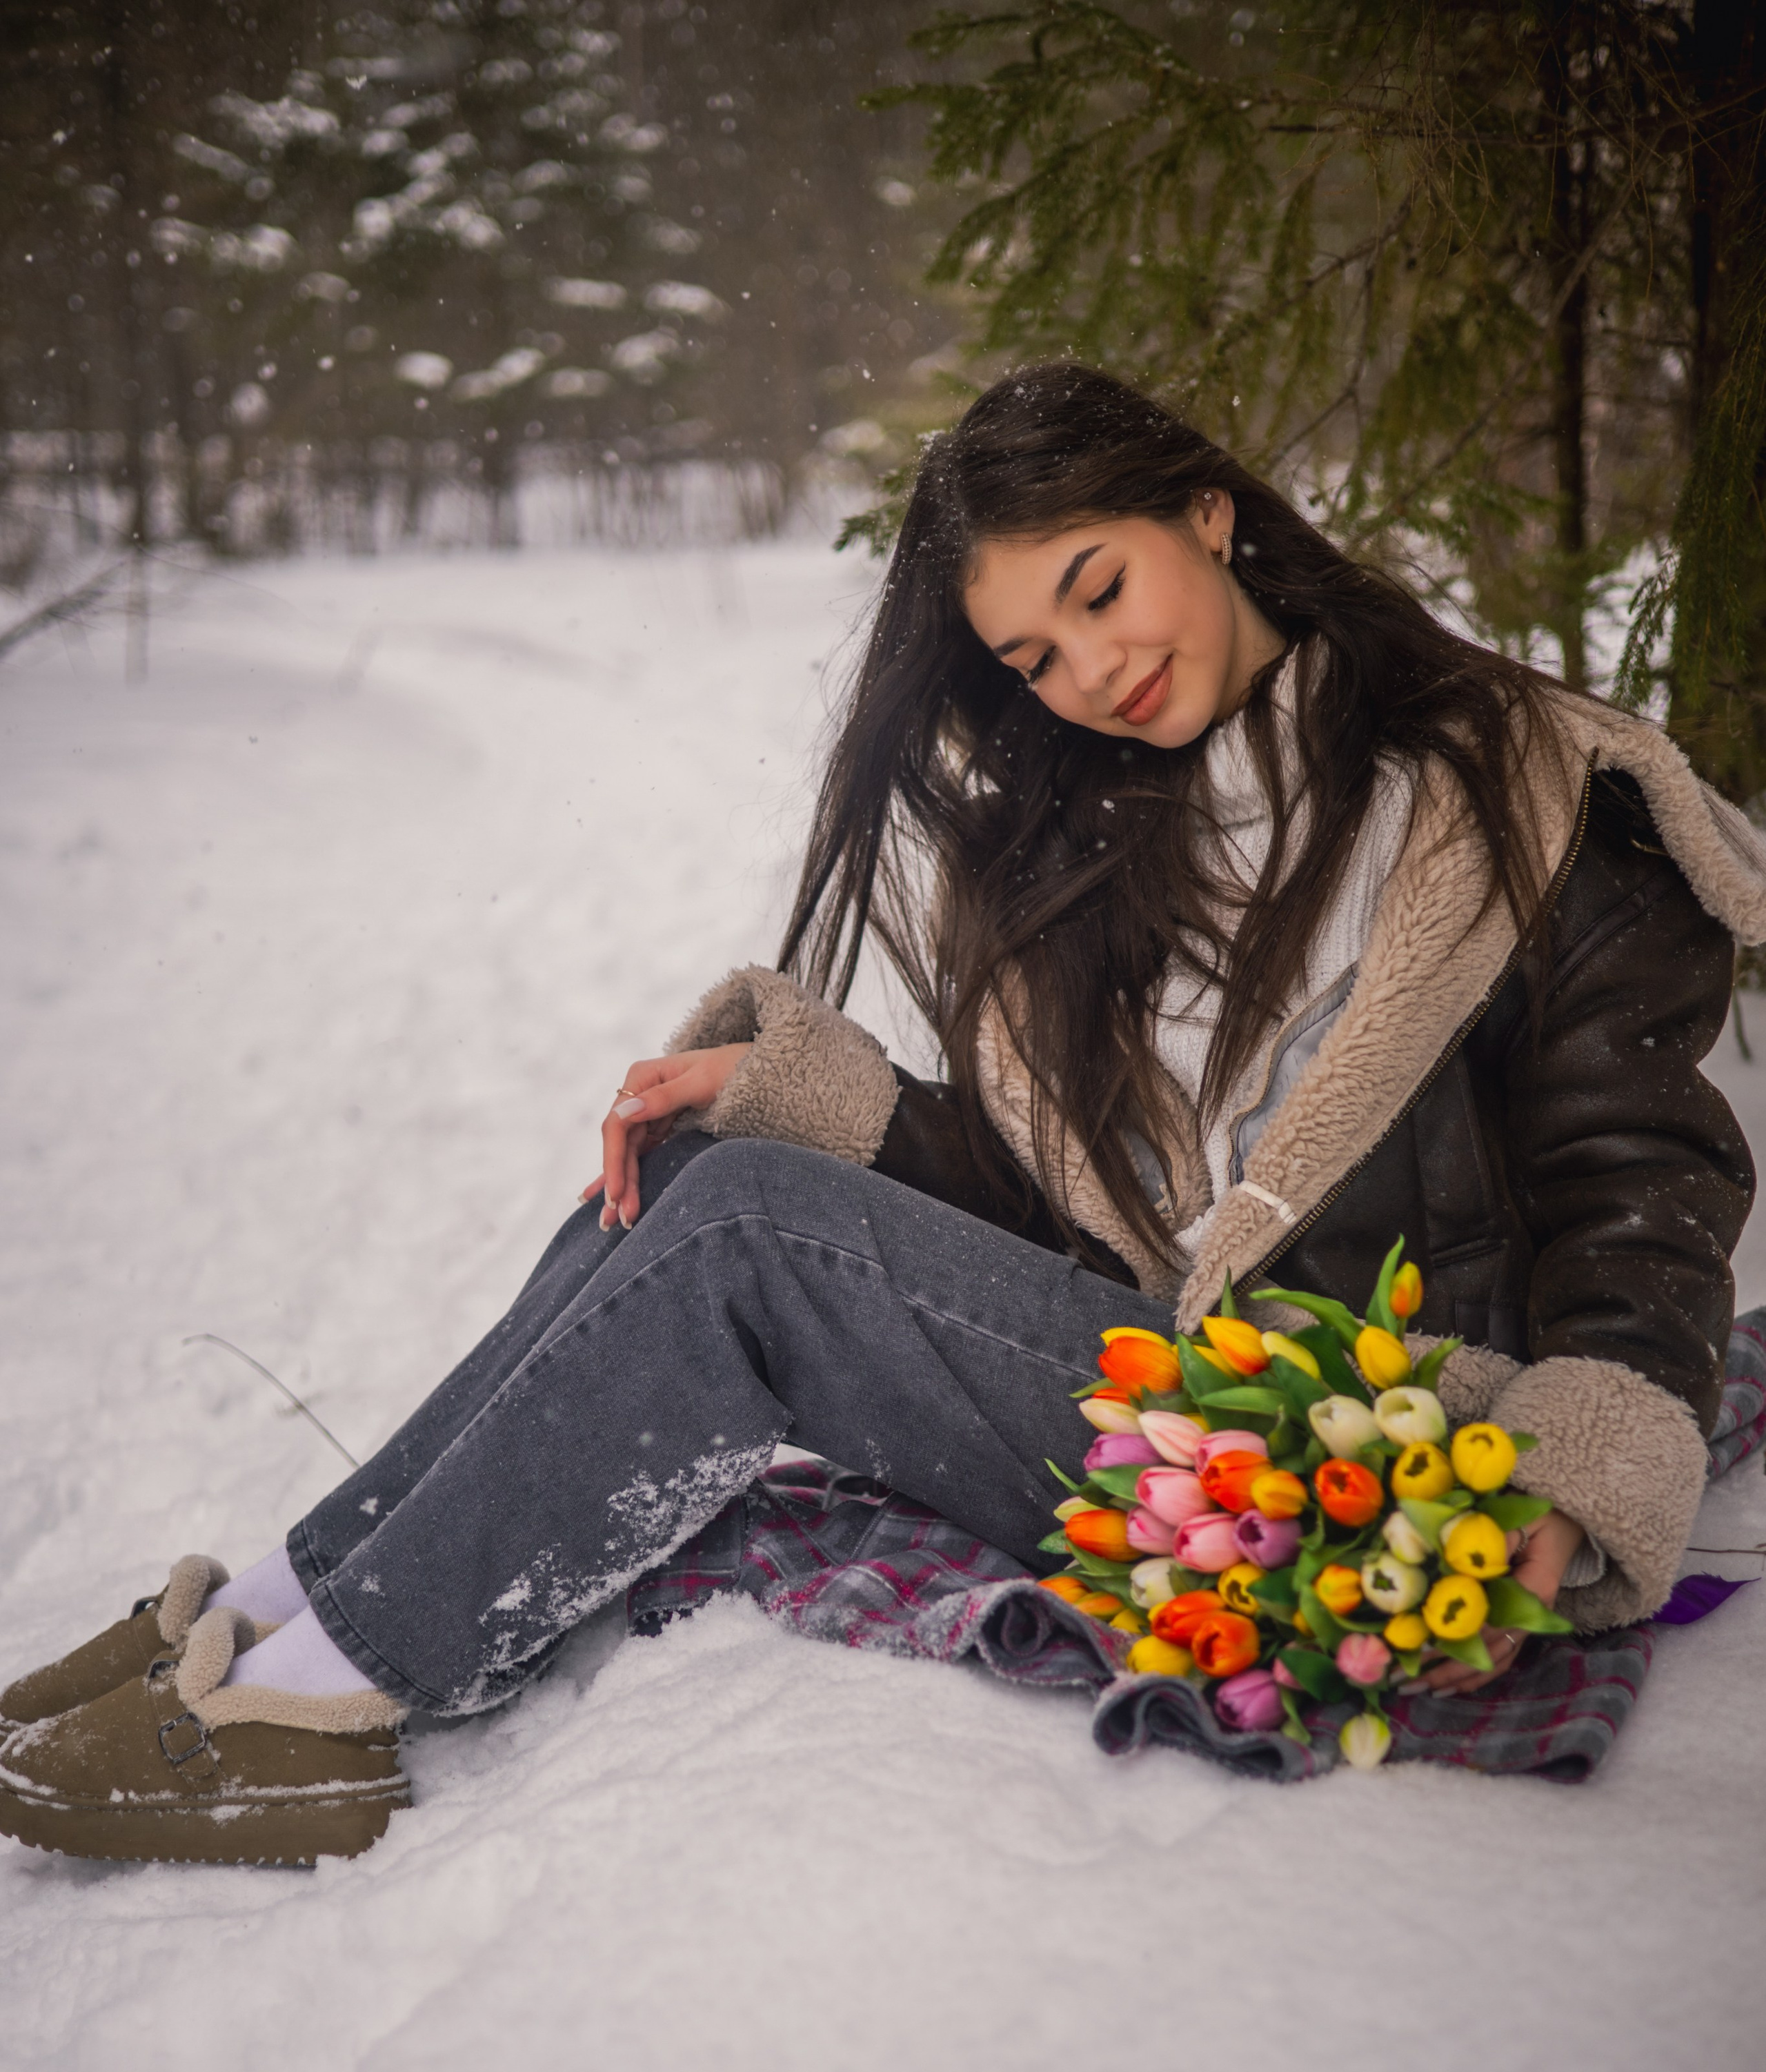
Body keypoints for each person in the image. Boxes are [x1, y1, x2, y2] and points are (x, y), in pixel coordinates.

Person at [4, 363, 1763, 1865]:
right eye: (1032, 654)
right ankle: (272, 1614)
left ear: (1208, 512)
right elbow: (1086, 1210)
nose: (1089, 670)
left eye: (1098, 588)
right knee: (711, 1166)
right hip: (1175, 1389)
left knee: (748, 1239)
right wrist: (805, 1102)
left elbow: (1639, 1183)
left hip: (1380, 1455)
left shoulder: (1523, 790)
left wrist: (1565, 1479)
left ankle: (322, 1702)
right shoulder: (1123, 834)